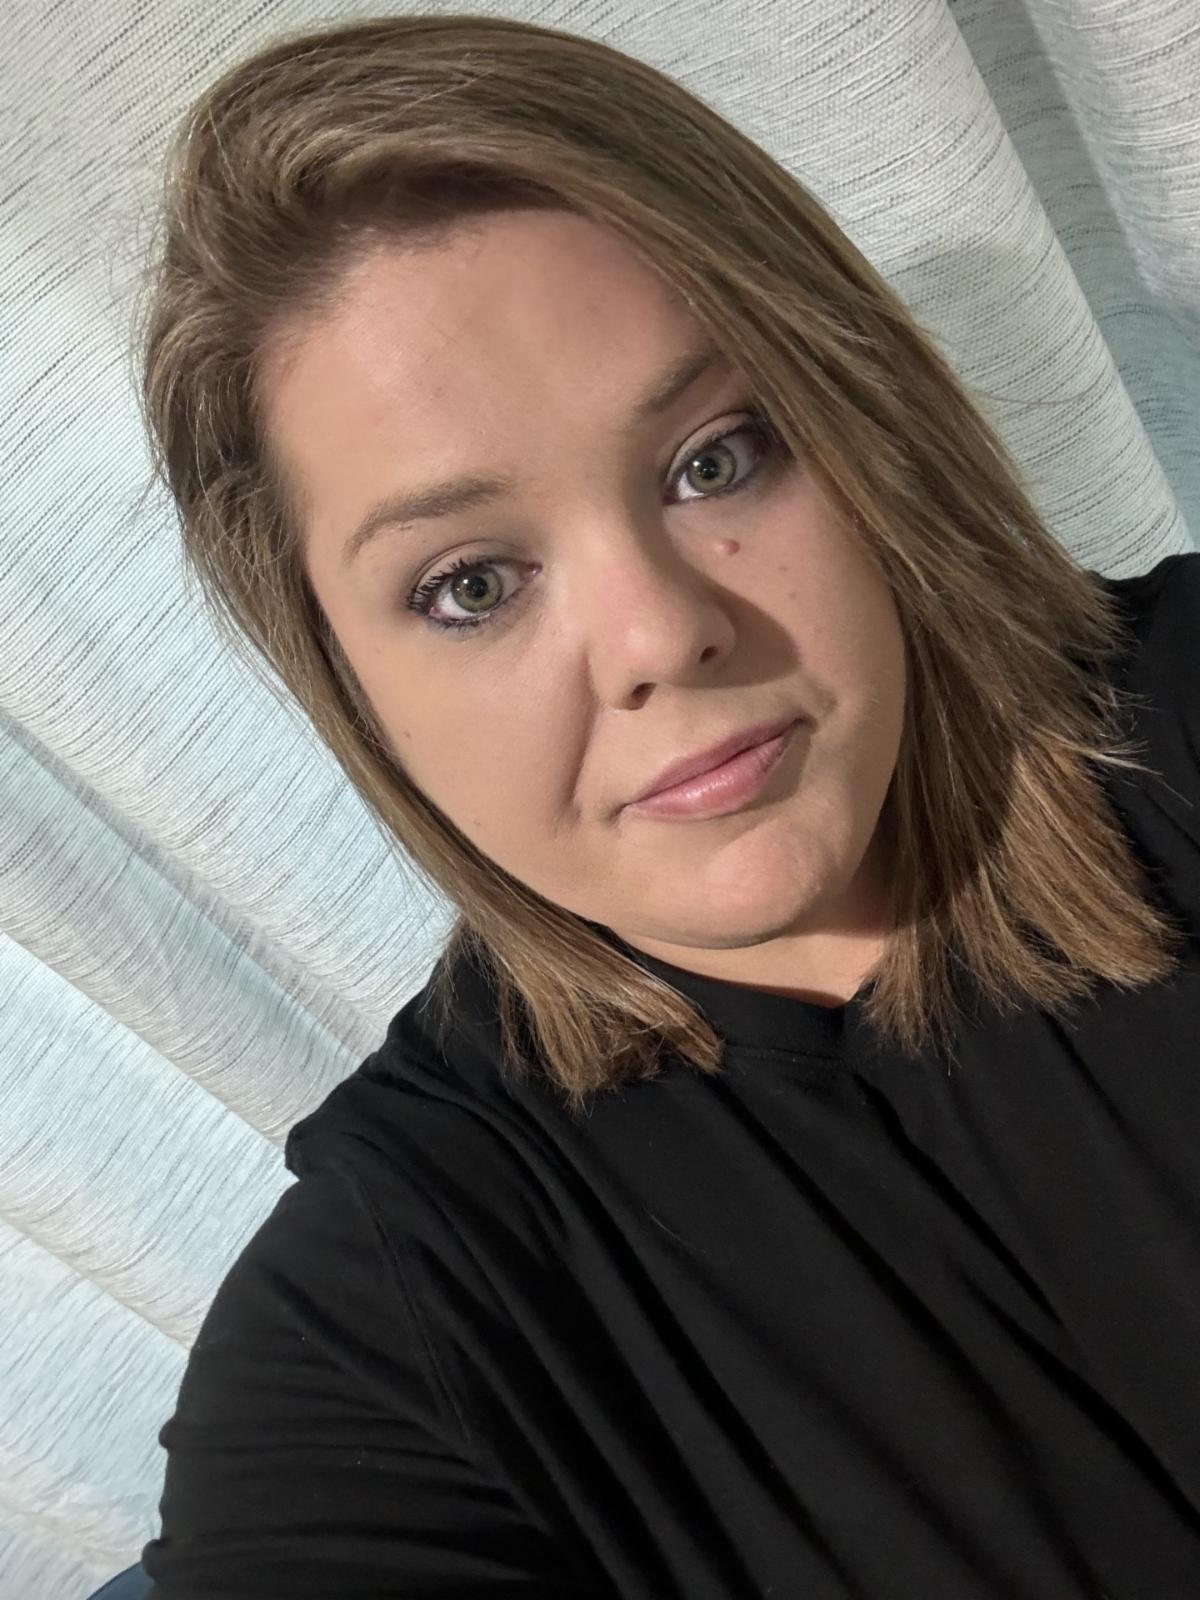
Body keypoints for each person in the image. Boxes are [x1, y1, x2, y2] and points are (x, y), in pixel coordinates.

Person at [133, 13, 1200, 1598]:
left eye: (716, 459)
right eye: (470, 583)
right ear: (346, 680)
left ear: (865, 425)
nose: (656, 636)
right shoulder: (405, 1319)